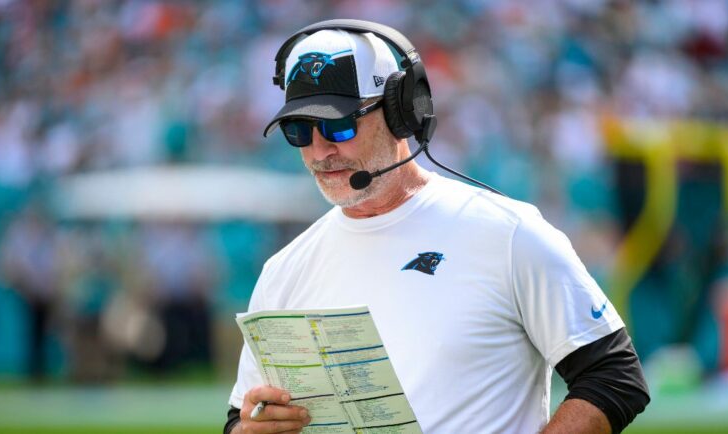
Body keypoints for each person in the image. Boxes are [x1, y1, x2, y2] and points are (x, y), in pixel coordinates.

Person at [224, 20, 649, 434]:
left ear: (400, 111)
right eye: (299, 130)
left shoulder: (508, 234)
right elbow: (240, 419)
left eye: (340, 124)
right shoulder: (284, 270)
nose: (320, 149)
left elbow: (614, 377)